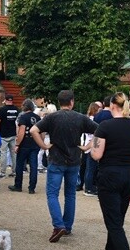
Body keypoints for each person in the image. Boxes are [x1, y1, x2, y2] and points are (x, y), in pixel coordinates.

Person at [30, 90, 98, 242]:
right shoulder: (80, 118)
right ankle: (67, 226)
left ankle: (58, 225)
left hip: (56, 159)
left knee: (52, 194)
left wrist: (43, 145)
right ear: (72, 101)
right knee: (70, 194)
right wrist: (87, 147)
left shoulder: (52, 118)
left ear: (59, 101)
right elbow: (99, 130)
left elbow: (34, 130)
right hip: (74, 160)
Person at [91, 92, 130, 250]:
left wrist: (91, 149)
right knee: (117, 219)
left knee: (113, 221)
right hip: (129, 174)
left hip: (110, 175)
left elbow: (97, 155)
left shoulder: (104, 126)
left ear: (112, 105)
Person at [8, 99, 40, 194]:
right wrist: (40, 142)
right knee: (34, 166)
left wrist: (17, 144)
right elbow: (41, 131)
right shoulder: (38, 118)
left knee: (20, 164)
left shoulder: (23, 117)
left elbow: (21, 132)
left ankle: (18, 185)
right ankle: (32, 187)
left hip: (25, 144)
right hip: (35, 143)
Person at [81, 101, 102, 196]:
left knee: (88, 168)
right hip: (92, 144)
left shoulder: (86, 118)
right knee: (91, 168)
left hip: (86, 143)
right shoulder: (94, 120)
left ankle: (88, 186)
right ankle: (89, 188)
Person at [0, 94, 20, 178]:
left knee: (3, 153)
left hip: (4, 135)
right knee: (14, 154)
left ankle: (3, 172)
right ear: (12, 100)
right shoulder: (17, 110)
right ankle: (15, 171)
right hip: (14, 134)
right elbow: (19, 123)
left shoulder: (2, 110)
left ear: (5, 100)